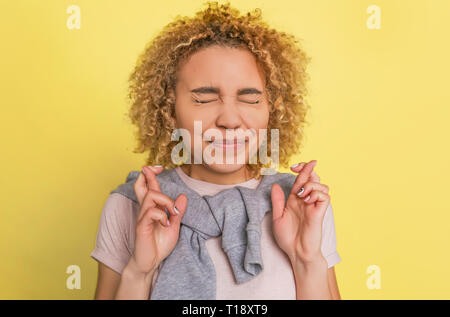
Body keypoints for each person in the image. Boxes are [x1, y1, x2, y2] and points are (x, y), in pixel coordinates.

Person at [91, 1, 341, 300]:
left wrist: (307, 261)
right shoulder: (130, 206)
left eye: (249, 99)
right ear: (169, 108)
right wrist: (139, 273)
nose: (230, 120)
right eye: (204, 99)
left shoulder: (302, 207)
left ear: (271, 109)